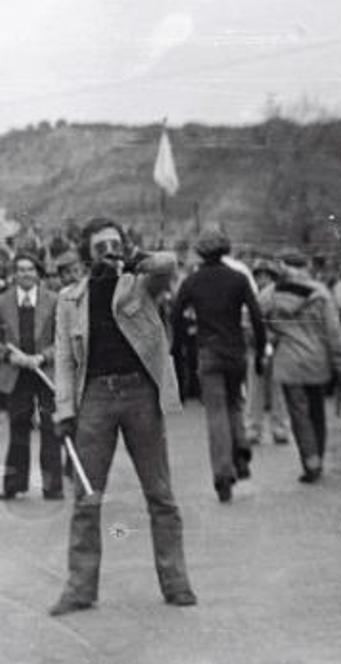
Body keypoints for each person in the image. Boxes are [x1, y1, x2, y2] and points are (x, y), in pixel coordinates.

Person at [49, 217, 196, 616]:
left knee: (160, 494)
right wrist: (64, 409)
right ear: (86, 253)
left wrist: (134, 256)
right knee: (86, 497)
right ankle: (80, 588)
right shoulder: (69, 299)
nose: (108, 252)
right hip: (94, 396)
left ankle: (177, 583)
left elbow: (167, 264)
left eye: (114, 244)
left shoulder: (141, 284)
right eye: (99, 247)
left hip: (140, 395)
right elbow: (63, 358)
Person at [171, 227, 266, 503]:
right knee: (235, 402)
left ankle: (223, 474)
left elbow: (176, 315)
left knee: (215, 412)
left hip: (208, 351)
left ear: (200, 251)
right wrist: (260, 352)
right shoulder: (238, 279)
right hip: (235, 351)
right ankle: (241, 450)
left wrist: (177, 350)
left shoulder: (192, 282)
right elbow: (257, 318)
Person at [262, 249, 341, 483]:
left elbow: (257, 323)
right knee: (317, 412)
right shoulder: (321, 292)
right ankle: (318, 458)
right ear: (305, 266)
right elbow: (333, 331)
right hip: (317, 361)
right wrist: (340, 360)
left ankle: (310, 461)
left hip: (289, 362)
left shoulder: (271, 294)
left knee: (299, 414)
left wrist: (272, 337)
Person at [0, 253, 61, 500]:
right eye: (20, 270)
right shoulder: (2, 302)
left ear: (37, 272)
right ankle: (14, 485)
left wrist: (43, 357)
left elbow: (62, 338)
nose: (25, 274)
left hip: (45, 372)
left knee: (50, 427)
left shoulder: (54, 301)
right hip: (16, 373)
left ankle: (52, 486)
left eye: (30, 269)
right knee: (18, 427)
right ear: (14, 273)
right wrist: (9, 356)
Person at [246, 258, 290, 445]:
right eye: (258, 275)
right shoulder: (265, 294)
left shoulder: (264, 295)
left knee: (261, 389)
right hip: (270, 345)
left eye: (264, 275)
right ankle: (276, 428)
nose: (261, 278)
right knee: (271, 389)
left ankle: (256, 428)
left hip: (265, 345)